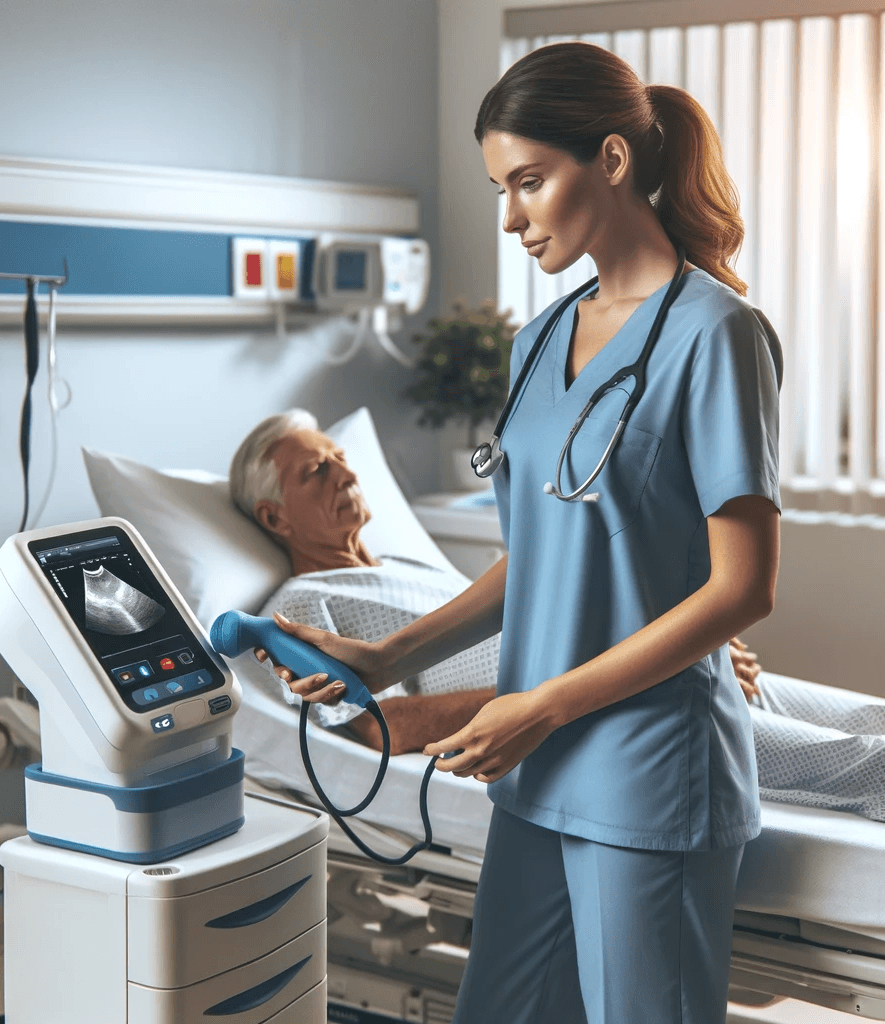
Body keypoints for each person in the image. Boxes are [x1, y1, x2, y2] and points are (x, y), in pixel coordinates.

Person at [251, 41, 783, 1023]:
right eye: (501, 186)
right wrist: (386, 653)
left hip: (648, 775)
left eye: (529, 181)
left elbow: (740, 589)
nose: (509, 216)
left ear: (613, 161)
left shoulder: (717, 335)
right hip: (536, 773)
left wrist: (541, 704)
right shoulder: (536, 341)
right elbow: (542, 552)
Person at [228, 409, 763, 755]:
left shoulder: (403, 564)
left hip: (654, 664)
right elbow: (372, 727)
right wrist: (597, 691)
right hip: (622, 704)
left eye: (341, 460)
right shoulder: (300, 606)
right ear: (275, 519)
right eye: (316, 471)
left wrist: (687, 634)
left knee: (845, 716)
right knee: (847, 761)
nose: (346, 475)